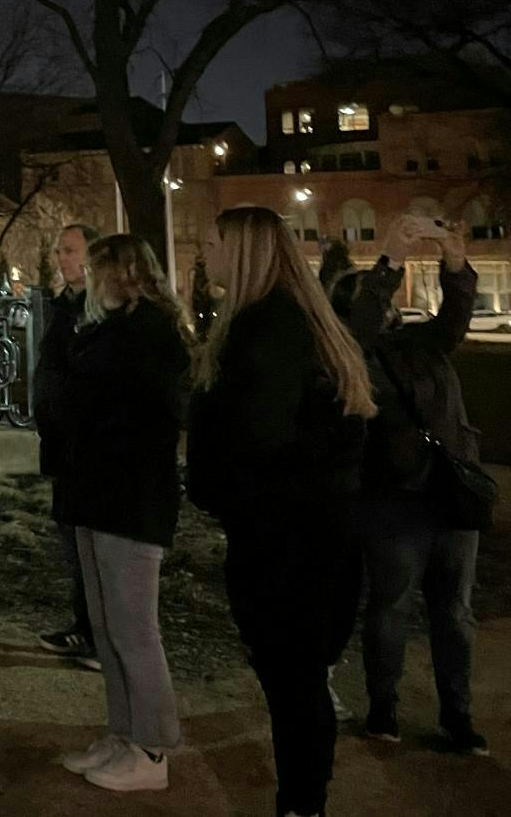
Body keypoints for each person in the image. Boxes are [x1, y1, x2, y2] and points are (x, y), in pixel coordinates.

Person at [187, 206, 376, 817]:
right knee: (301, 682)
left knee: (293, 686)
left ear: (242, 251)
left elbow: (256, 445)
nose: (204, 249)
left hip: (283, 545)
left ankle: (301, 803)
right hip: (318, 535)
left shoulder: (263, 330)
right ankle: (304, 799)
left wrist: (212, 487)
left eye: (213, 239)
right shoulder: (299, 323)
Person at [332, 212, 487, 754]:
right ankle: (383, 711)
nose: (387, 302)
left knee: (456, 614)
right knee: (391, 609)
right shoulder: (354, 352)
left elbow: (458, 315)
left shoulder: (424, 343)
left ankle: (458, 718)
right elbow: (362, 325)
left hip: (450, 496)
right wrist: (390, 259)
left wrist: (455, 259)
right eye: (375, 297)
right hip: (395, 500)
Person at [54, 235, 191, 794]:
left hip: (129, 499)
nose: (88, 280)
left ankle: (153, 747)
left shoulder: (151, 336)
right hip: (95, 493)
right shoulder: (106, 332)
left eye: (97, 269)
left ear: (124, 275)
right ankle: (123, 731)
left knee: (135, 630)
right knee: (108, 628)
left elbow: (147, 417)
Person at [31, 223, 101, 667]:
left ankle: (97, 634)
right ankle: (84, 627)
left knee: (92, 549)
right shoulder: (63, 307)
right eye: (59, 250)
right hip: (62, 446)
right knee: (73, 544)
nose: (62, 258)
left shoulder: (97, 311)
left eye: (71, 250)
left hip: (86, 447)